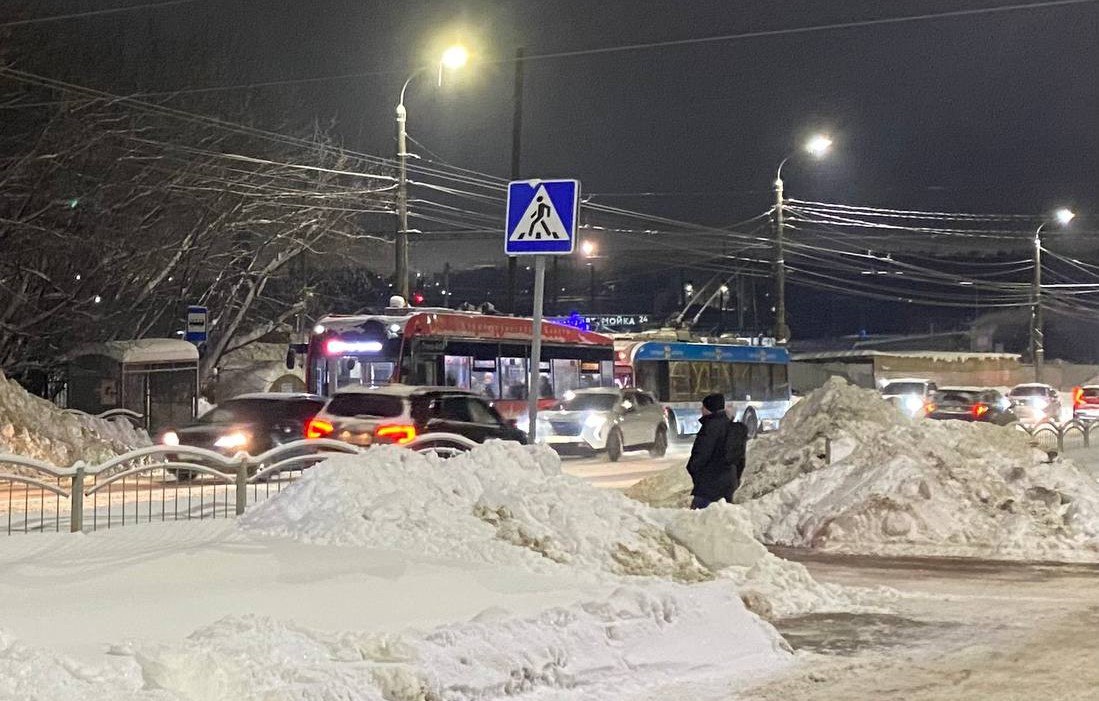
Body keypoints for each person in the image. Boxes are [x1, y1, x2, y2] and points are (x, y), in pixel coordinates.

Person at [685, 393, 748, 509]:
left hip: (709, 485)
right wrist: (735, 479)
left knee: (698, 521)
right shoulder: (730, 427)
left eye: (703, 406)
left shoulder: (710, 428)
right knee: (722, 518)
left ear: (709, 408)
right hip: (729, 483)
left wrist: (693, 470)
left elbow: (701, 455)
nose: (701, 409)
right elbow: (740, 460)